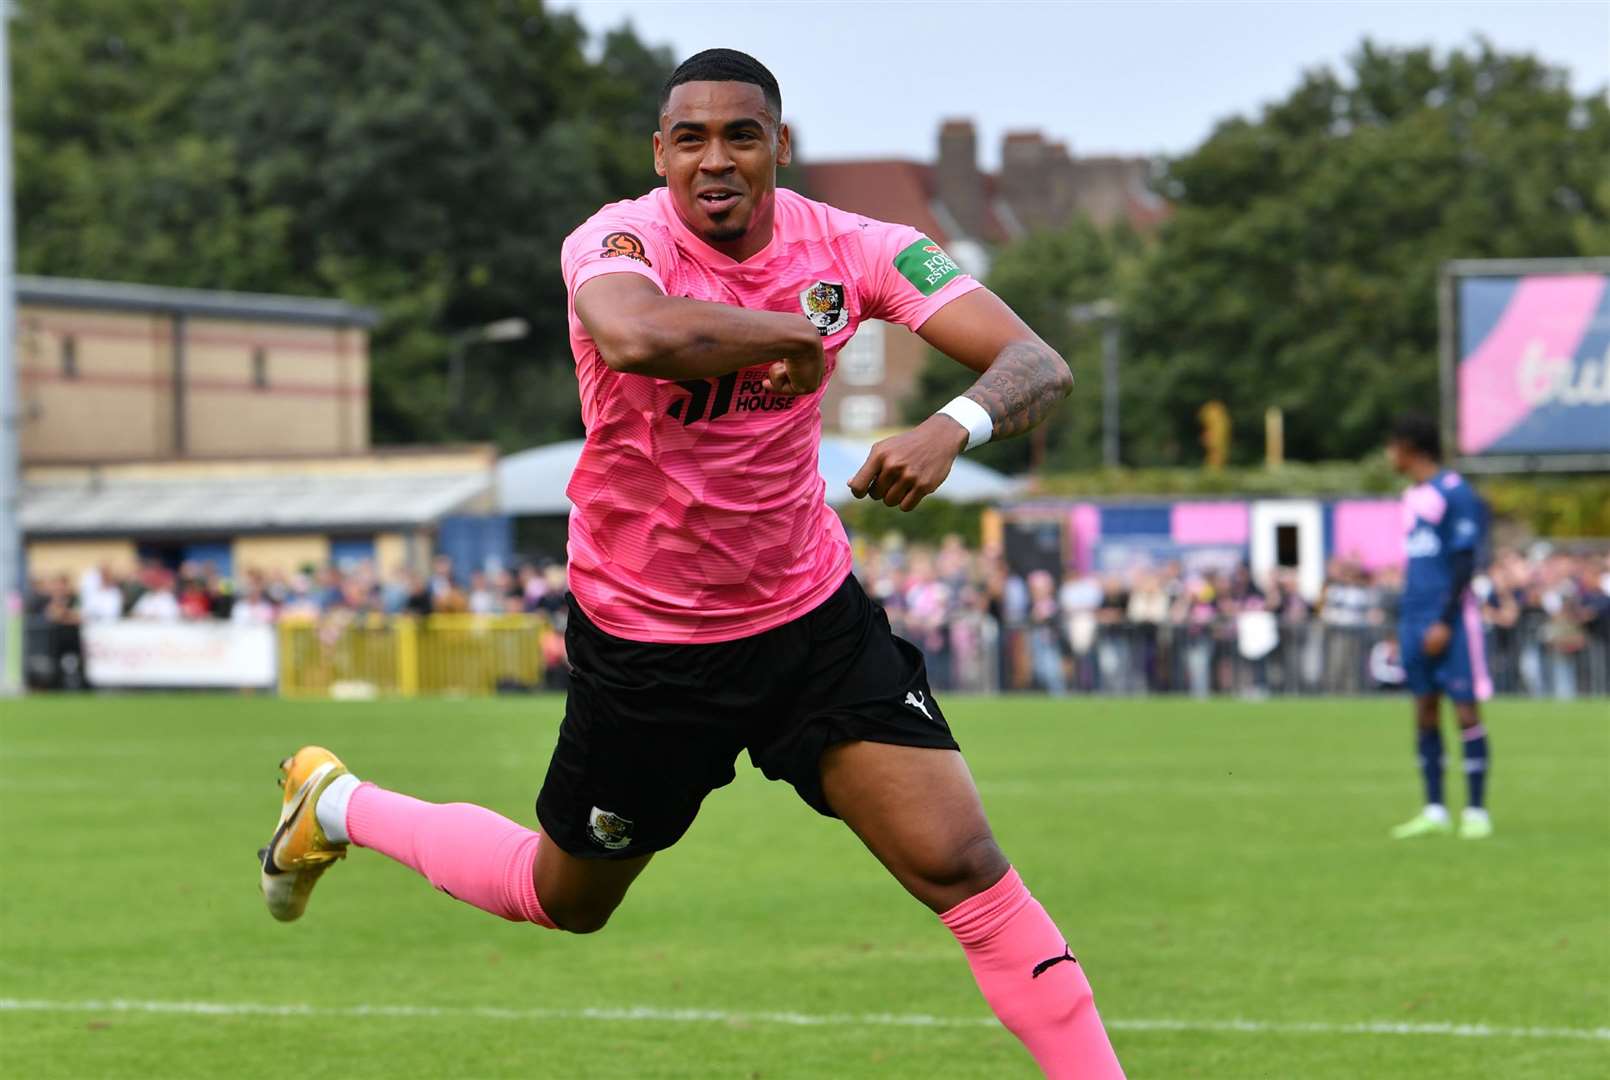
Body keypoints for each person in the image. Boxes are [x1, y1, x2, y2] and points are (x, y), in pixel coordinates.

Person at [257, 50, 1122, 1078]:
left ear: (779, 149)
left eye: (740, 136)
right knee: (564, 900)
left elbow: (1034, 360)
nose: (715, 159)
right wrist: (790, 334)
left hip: (809, 627)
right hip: (649, 645)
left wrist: (950, 426)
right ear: (659, 154)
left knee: (963, 867)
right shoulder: (617, 240)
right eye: (691, 138)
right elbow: (631, 334)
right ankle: (340, 806)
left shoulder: (857, 244)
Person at [1385, 413, 1493, 840]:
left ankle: (1476, 811)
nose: (1389, 455)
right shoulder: (1410, 496)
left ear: (1410, 448)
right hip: (1413, 617)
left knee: (1465, 710)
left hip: (1449, 619)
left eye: (1392, 446)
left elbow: (1465, 562)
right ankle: (1434, 808)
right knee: (1424, 709)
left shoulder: (1455, 492)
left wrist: (1444, 621)